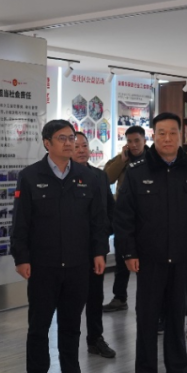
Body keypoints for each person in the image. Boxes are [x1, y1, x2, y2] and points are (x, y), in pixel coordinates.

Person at [114, 112, 187, 373]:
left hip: (184, 258)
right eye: (161, 133)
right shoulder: (137, 172)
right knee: (147, 316)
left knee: (177, 314)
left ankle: (178, 370)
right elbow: (124, 218)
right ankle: (145, 372)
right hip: (149, 258)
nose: (167, 138)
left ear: (180, 136)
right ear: (153, 136)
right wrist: (129, 253)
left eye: (172, 133)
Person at [12, 120, 109, 373]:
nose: (69, 143)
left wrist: (99, 252)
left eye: (71, 138)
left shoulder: (87, 177)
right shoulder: (30, 176)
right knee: (39, 326)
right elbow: (21, 222)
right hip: (43, 265)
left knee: (71, 324)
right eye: (62, 138)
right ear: (47, 143)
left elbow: (98, 220)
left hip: (78, 264)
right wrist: (21, 257)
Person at [72, 131, 117, 359]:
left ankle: (95, 339)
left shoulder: (100, 176)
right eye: (76, 146)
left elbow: (110, 209)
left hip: (96, 248)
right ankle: (69, 343)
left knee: (95, 296)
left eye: (84, 145)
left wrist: (106, 233)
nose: (81, 150)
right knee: (72, 299)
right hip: (71, 249)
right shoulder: (63, 176)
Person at [101, 125, 148, 312]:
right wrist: (122, 160)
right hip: (124, 216)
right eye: (130, 141)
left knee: (147, 262)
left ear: (144, 140)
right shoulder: (122, 159)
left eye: (137, 140)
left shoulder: (153, 159)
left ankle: (150, 301)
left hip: (146, 217)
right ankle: (119, 298)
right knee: (122, 259)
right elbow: (105, 178)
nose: (134, 145)